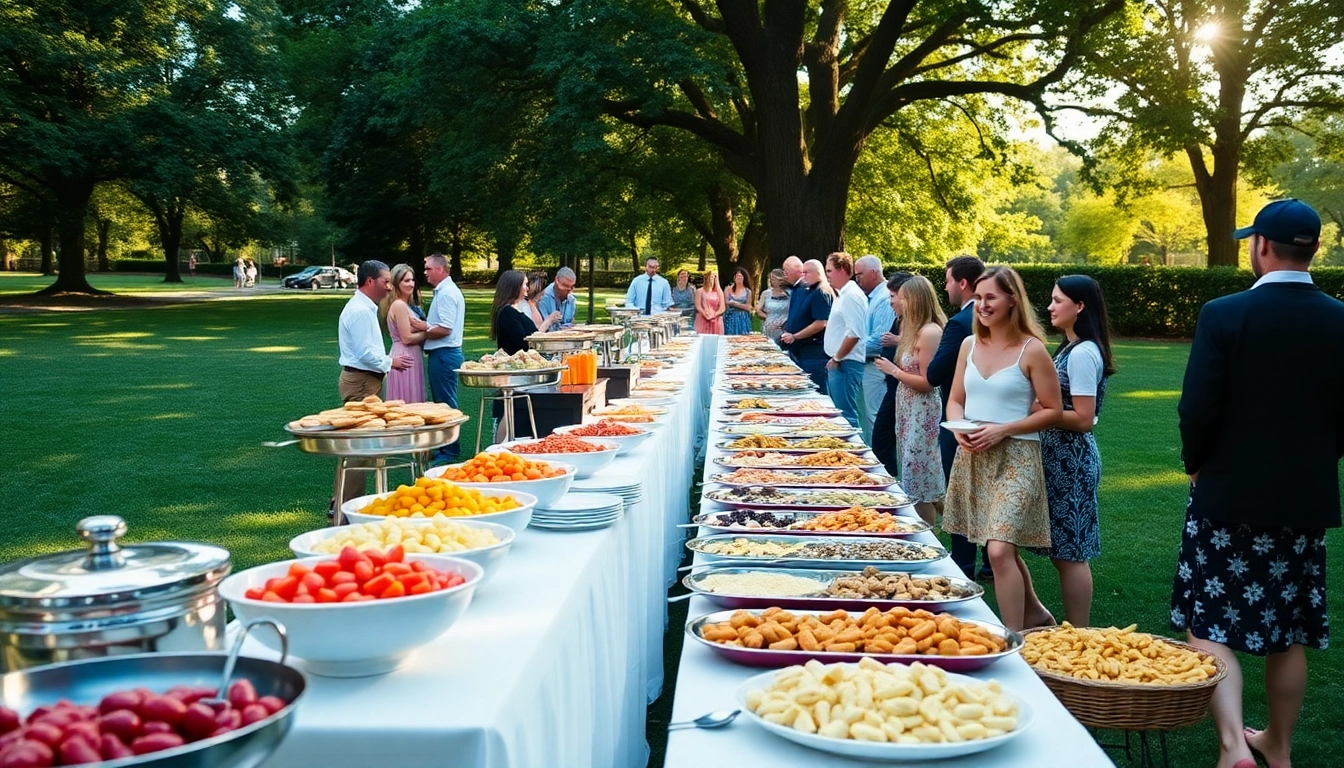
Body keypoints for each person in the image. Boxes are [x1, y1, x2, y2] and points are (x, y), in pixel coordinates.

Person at [1170, 199, 1344, 768]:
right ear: (1313, 249)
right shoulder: (1340, 318)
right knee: (1288, 626)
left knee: (1206, 620)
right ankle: (1281, 748)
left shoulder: (1223, 314)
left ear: (1261, 246)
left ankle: (1231, 748)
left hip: (1226, 492)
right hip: (1305, 496)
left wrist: (1196, 462)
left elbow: (1197, 409)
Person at [942, 266, 1062, 632]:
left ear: (1012, 299)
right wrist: (960, 428)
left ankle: (1013, 638)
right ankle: (1037, 615)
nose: (981, 305)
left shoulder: (1032, 349)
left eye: (990, 297)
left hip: (1017, 458)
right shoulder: (969, 345)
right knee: (1001, 546)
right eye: (978, 298)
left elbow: (1053, 410)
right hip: (974, 455)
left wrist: (1003, 430)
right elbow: (954, 401)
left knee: (997, 550)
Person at [1033, 275, 1115, 628]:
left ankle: (1078, 632)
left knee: (1071, 554)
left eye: (1057, 300)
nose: (1050, 307)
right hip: (1058, 455)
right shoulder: (1070, 347)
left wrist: (1040, 411)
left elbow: (1083, 418)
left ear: (1079, 306)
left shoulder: (1082, 353)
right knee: (1063, 553)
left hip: (1072, 459)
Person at [927, 255, 992, 582]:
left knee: (962, 494)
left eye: (948, 279)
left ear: (962, 282)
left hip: (964, 420)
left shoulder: (959, 324)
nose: (946, 286)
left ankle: (963, 563)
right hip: (989, 419)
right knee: (989, 493)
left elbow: (935, 373)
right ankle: (991, 562)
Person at [337, 260, 414, 505]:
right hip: (360, 382)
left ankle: (345, 502)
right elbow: (364, 354)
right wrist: (391, 362)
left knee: (361, 447)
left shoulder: (365, 307)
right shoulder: (360, 311)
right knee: (359, 449)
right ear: (370, 281)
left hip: (365, 380)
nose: (389, 287)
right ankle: (346, 505)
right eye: (386, 281)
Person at [875, 275, 946, 525]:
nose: (894, 303)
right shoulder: (910, 328)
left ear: (914, 301)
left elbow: (928, 382)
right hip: (907, 408)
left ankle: (926, 533)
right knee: (912, 475)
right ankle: (931, 518)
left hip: (921, 411)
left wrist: (893, 371)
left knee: (918, 482)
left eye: (900, 298)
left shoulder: (929, 332)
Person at [870, 272, 913, 478]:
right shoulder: (900, 318)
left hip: (903, 388)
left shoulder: (919, 324)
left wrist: (897, 342)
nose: (890, 302)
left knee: (884, 438)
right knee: (883, 437)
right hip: (894, 387)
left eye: (893, 297)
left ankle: (886, 481)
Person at [423, 253, 465, 463]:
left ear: (440, 269)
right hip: (444, 354)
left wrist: (421, 328)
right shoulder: (445, 291)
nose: (425, 273)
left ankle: (450, 449)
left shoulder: (447, 293)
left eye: (428, 268)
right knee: (443, 400)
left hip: (444, 354)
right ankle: (446, 446)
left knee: (445, 402)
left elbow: (445, 329)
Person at [490, 270, 540, 442]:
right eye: (525, 285)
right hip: (514, 370)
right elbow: (522, 341)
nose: (527, 288)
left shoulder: (514, 311)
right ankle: (501, 445)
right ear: (515, 287)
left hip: (521, 370)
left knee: (513, 408)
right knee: (508, 408)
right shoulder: (507, 313)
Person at [822, 253, 868, 427]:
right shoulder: (844, 294)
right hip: (842, 363)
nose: (827, 275)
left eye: (830, 270)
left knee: (845, 416)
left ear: (842, 269)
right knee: (840, 414)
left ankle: (854, 453)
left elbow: (855, 333)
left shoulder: (851, 296)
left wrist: (837, 358)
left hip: (845, 364)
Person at [854, 255, 894, 441]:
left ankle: (878, 463)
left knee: (874, 418)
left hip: (875, 366)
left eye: (859, 275)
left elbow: (879, 339)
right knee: (866, 417)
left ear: (873, 273)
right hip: (866, 364)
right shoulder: (872, 297)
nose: (857, 279)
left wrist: (848, 349)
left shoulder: (884, 299)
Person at [380, 263, 429, 404]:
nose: (411, 284)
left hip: (410, 355)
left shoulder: (404, 304)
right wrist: (427, 332)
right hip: (405, 357)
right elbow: (406, 338)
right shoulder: (399, 305)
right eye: (406, 280)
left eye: (412, 280)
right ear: (397, 283)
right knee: (407, 401)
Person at [780, 259, 831, 392]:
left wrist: (794, 336)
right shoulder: (809, 290)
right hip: (803, 350)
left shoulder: (821, 291)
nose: (803, 275)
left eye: (806, 272)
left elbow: (821, 323)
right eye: (802, 272)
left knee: (816, 392)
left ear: (818, 273)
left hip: (814, 352)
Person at [755, 269, 791, 343]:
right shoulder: (766, 294)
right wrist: (768, 318)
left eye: (774, 278)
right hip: (769, 327)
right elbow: (758, 310)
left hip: (784, 328)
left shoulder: (789, 293)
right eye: (771, 278)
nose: (772, 281)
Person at [723, 267, 754, 335]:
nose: (739, 278)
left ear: (744, 278)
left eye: (740, 276)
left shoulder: (748, 291)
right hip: (730, 317)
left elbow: (748, 307)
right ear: (734, 277)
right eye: (737, 276)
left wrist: (734, 303)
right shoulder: (727, 289)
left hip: (743, 318)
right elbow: (726, 303)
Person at [694, 270, 726, 335]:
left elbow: (722, 308)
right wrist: (704, 313)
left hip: (715, 319)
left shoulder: (719, 292)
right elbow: (698, 306)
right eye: (709, 278)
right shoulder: (699, 291)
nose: (710, 280)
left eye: (712, 278)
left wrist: (715, 314)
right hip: (702, 318)